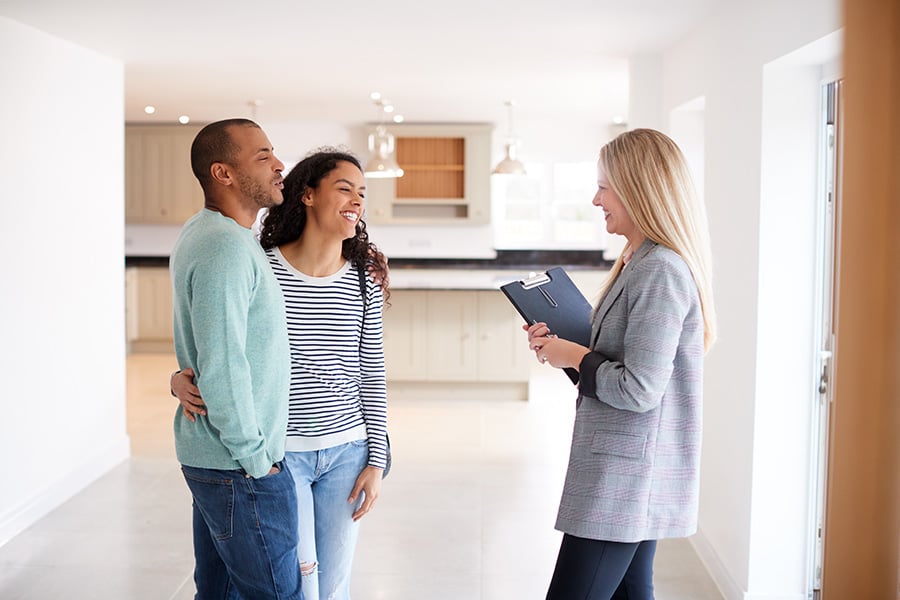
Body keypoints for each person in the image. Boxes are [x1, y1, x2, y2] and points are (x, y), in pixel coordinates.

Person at [172, 148, 390, 600]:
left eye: (362, 193)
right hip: (280, 454)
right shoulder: (261, 263)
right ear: (307, 195)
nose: (356, 201)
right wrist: (180, 376)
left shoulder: (364, 276)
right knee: (301, 586)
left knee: (332, 588)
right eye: (344, 188)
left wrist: (377, 456)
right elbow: (222, 345)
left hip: (346, 451)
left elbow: (371, 368)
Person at [525, 128, 716, 599]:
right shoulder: (641, 260)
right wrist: (562, 353)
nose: (595, 199)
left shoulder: (659, 269)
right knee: (633, 591)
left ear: (639, 188)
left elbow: (638, 389)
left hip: (624, 476)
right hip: (626, 469)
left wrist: (575, 353)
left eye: (604, 186)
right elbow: (616, 369)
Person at [169, 119, 303, 599]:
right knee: (276, 593)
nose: (279, 165)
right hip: (238, 464)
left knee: (221, 592)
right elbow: (224, 363)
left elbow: (207, 343)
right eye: (263, 156)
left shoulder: (214, 234)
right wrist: (256, 459)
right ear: (223, 173)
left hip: (220, 460)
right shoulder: (224, 246)